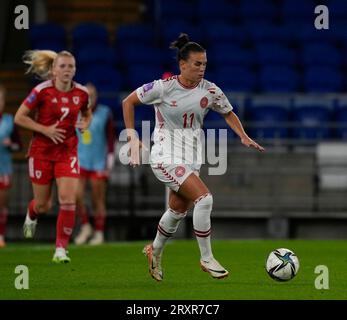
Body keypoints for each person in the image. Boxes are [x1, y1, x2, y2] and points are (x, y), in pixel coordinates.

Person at [122, 33, 265, 281]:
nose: (201, 69)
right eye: (197, 64)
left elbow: (228, 112)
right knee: (205, 199)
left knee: (177, 210)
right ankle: (207, 258)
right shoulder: (162, 88)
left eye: (204, 64)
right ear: (182, 64)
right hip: (165, 156)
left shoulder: (210, 90)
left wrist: (242, 135)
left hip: (190, 158)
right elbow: (128, 102)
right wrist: (133, 137)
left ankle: (154, 251)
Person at [14, 50, 92, 263]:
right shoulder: (41, 91)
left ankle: (60, 249)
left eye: (71, 66)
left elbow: (87, 113)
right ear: (54, 70)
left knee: (67, 199)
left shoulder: (82, 93)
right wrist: (45, 129)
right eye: (63, 66)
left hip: (67, 152)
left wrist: (85, 124)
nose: (68, 70)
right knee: (43, 205)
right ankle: (32, 214)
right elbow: (19, 117)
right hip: (41, 152)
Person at [74, 83, 116, 245]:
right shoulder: (76, 113)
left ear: (96, 96)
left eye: (92, 95)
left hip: (98, 161)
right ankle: (85, 226)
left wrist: (110, 160)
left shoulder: (105, 113)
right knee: (77, 196)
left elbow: (110, 138)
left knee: (97, 199)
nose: (89, 98)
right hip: (80, 160)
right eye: (86, 95)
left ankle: (99, 232)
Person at [0, 84, 21, 247]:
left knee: (2, 204)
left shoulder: (9, 120)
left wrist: (10, 144)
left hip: (4, 168)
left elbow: (18, 145)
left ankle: (1, 235)